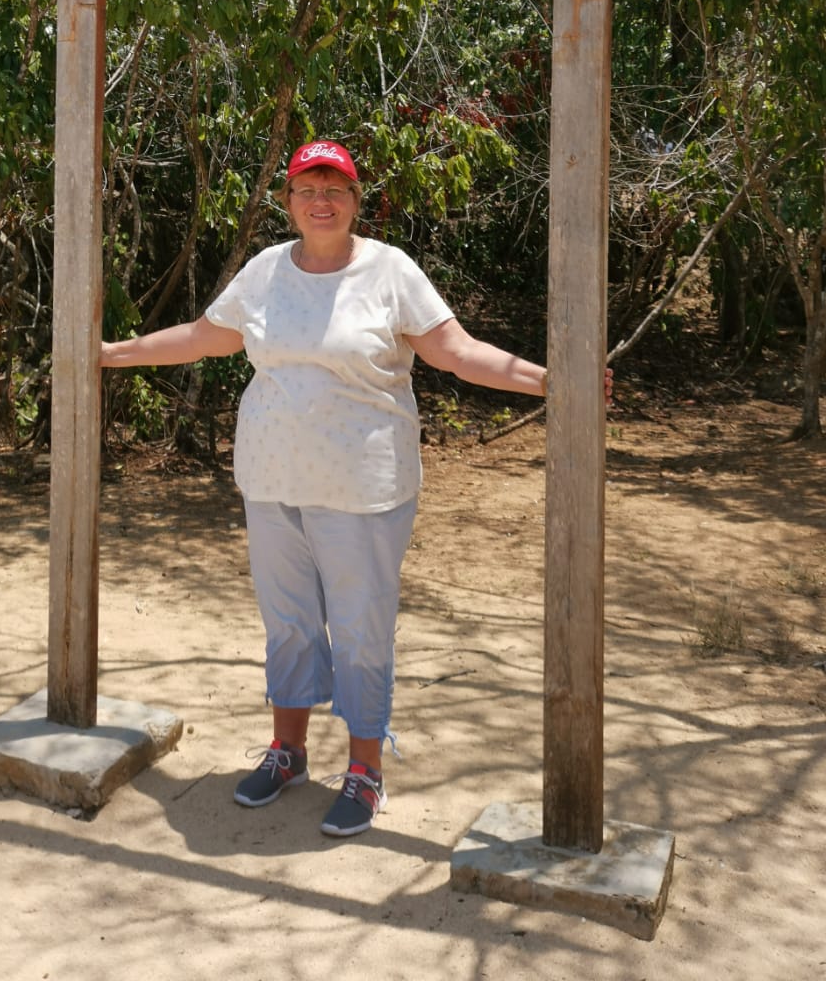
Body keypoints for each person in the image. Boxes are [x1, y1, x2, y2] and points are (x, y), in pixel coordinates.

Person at [101, 140, 571, 838]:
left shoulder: (389, 272)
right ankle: (287, 752)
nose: (321, 201)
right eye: (306, 189)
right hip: (271, 481)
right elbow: (203, 338)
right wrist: (110, 354)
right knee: (288, 622)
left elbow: (458, 351)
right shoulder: (265, 272)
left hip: (363, 490)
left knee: (359, 631)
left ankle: (364, 770)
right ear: (288, 201)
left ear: (356, 201)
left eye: (336, 189)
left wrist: (551, 377)